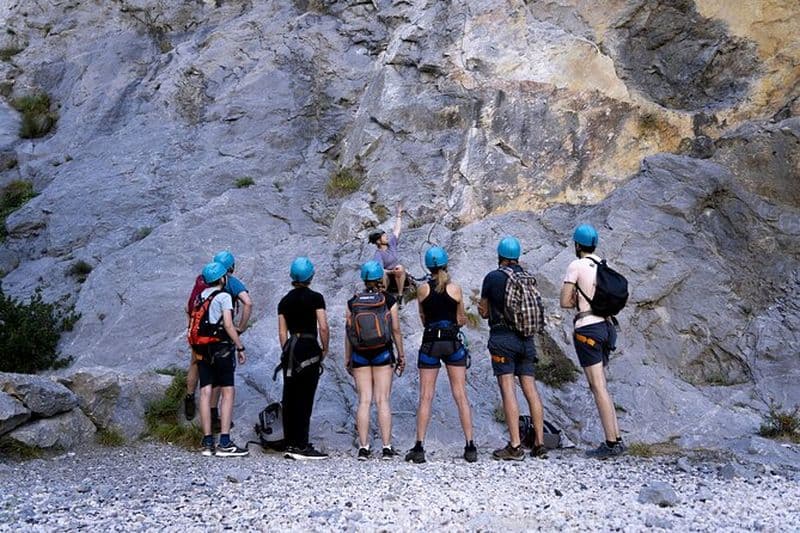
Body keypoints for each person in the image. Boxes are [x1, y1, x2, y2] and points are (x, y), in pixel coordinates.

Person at [405, 246, 477, 464]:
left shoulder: (422, 290)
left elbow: (423, 318)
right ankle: (470, 445)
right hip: (452, 342)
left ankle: (419, 447)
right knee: (460, 395)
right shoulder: (455, 289)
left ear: (428, 266)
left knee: (426, 396)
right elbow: (461, 318)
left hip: (430, 343)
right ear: (446, 264)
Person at [478, 236, 547, 460]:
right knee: (531, 390)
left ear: (499, 256)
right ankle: (539, 444)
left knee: (508, 390)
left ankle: (515, 446)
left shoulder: (492, 278)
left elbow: (485, 311)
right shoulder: (526, 278)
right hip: (526, 339)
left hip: (503, 339)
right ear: (517, 256)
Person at [560, 224, 625, 459]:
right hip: (607, 327)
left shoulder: (576, 266)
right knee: (603, 386)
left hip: (588, 328)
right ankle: (616, 438)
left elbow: (565, 302)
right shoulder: (602, 264)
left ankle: (610, 443)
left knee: (597, 387)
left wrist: (577, 296)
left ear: (577, 245)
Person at [345, 260, 406, 460]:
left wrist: (347, 358)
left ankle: (364, 448)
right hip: (383, 353)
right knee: (382, 401)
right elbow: (395, 329)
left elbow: (348, 332)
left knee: (364, 401)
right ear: (381, 278)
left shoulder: (353, 302)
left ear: (364, 279)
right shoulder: (387, 300)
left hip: (360, 354)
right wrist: (401, 354)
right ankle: (387, 448)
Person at [184, 250, 253, 428]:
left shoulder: (202, 280)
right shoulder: (229, 282)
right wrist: (241, 328)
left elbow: (187, 307)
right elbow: (248, 302)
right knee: (217, 376)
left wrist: (192, 328)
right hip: (217, 336)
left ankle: (190, 398)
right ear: (230, 268)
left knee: (195, 364)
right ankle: (213, 415)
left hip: (198, 334)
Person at [277, 257, 330, 460]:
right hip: (309, 347)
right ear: (311, 276)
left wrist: (287, 350)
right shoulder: (316, 298)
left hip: (291, 348)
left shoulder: (284, 301)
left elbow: (282, 333)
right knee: (305, 397)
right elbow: (323, 326)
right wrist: (324, 348)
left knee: (290, 395)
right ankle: (301, 444)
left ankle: (290, 442)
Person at [195, 261, 248, 457]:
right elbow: (227, 324)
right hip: (221, 348)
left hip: (202, 348)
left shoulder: (201, 296)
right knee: (227, 392)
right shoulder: (224, 296)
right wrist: (240, 345)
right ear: (222, 278)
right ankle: (224, 442)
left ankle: (207, 442)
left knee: (206, 391)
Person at [369, 202, 407, 298]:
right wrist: (392, 272)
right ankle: (382, 296)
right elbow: (380, 270)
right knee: (382, 275)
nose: (386, 237)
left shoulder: (391, 244)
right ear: (378, 241)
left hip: (399, 276)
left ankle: (400, 295)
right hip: (388, 278)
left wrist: (398, 215)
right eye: (384, 236)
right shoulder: (378, 254)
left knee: (400, 268)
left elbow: (396, 231)